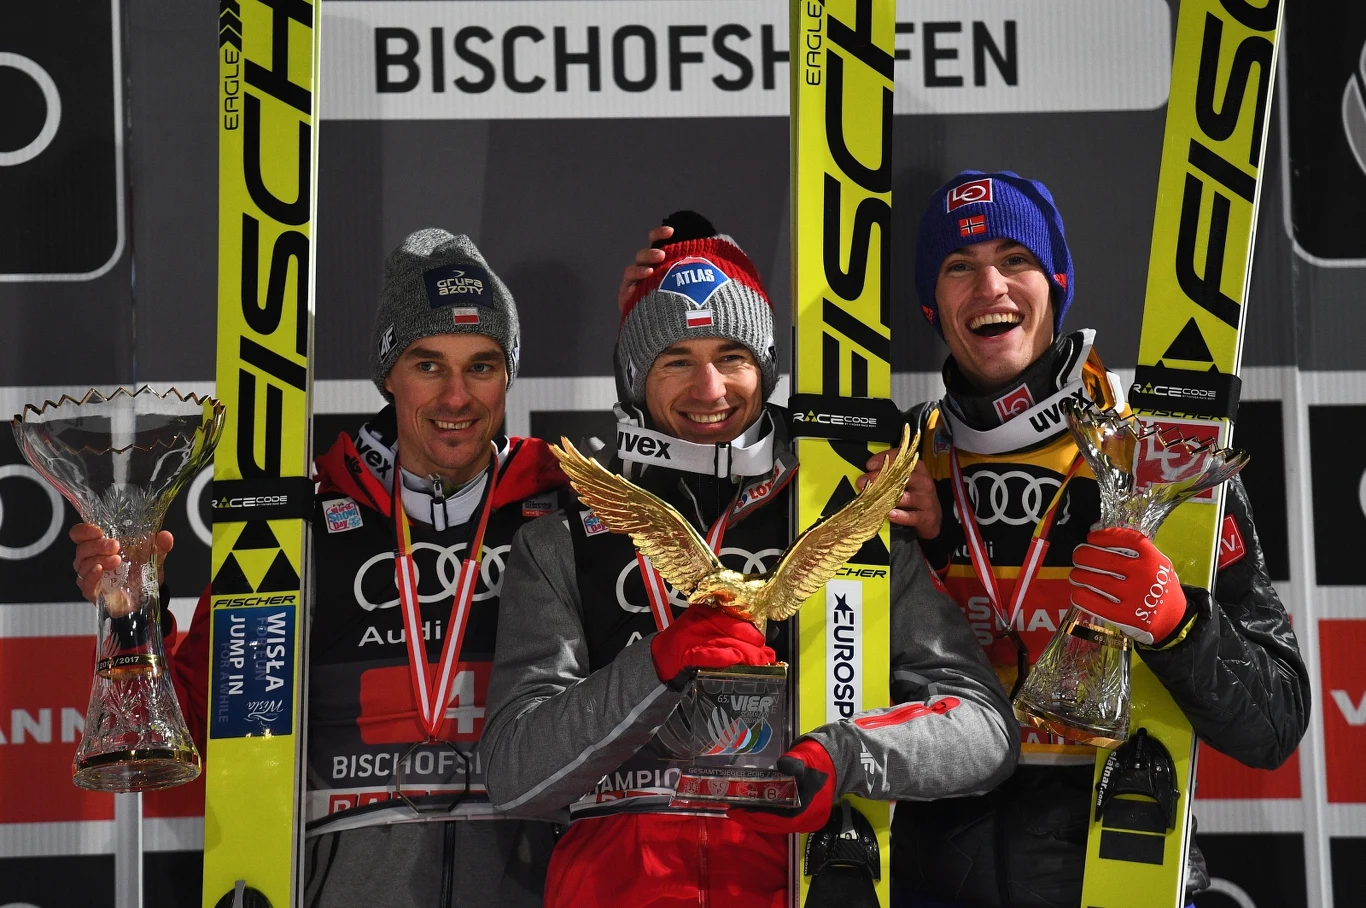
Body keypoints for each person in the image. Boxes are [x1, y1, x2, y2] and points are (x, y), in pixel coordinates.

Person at [480, 212, 1019, 908]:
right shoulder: (563, 541)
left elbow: (985, 731)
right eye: (676, 360)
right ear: (635, 378)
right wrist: (657, 666)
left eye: (732, 357)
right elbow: (515, 775)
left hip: (796, 884)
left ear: (763, 368)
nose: (710, 391)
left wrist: (846, 754)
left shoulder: (841, 515)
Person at [69, 230, 567, 907]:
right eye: (428, 365)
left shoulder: (567, 513)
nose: (457, 397)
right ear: (388, 373)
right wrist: (134, 614)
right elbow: (186, 736)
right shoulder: (298, 523)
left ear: (507, 373)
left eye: (481, 365)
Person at [878, 171, 1311, 907]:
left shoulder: (1159, 456)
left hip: (1121, 868)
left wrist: (1179, 626)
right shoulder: (897, 465)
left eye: (1016, 259)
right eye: (960, 266)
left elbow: (1273, 722)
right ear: (931, 302)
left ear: (1057, 280)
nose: (990, 285)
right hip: (934, 877)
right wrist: (890, 553)